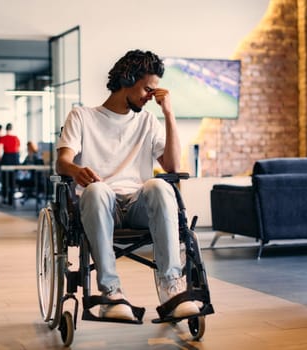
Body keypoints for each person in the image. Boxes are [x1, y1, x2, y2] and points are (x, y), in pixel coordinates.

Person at [56, 49, 200, 321]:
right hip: (100, 205)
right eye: (147, 88)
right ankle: (111, 293)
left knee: (159, 185)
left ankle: (172, 287)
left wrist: (168, 114)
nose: (151, 96)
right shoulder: (82, 117)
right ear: (126, 79)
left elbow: (171, 166)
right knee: (97, 189)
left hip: (137, 206)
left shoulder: (147, 120)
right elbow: (62, 162)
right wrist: (76, 170)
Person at [0, 123, 20, 205]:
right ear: (11, 129)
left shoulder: (2, 138)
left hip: (6, 158)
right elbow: (18, 149)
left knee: (5, 179)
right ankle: (11, 198)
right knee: (12, 179)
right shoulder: (16, 138)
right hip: (14, 158)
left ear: (6, 129)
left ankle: (5, 197)